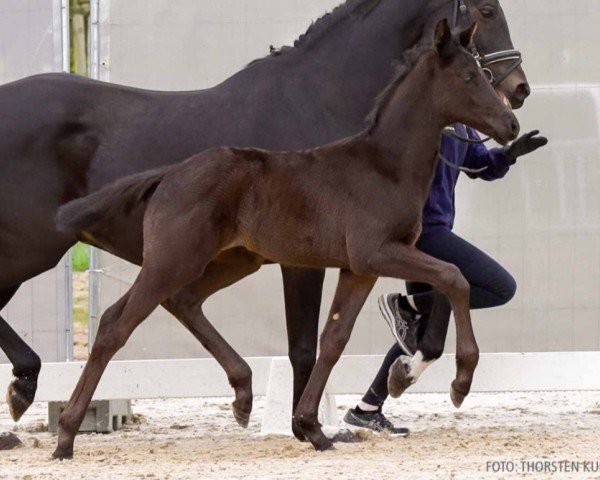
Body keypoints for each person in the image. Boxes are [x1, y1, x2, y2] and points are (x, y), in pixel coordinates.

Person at [343, 125, 548, 435]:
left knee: (423, 331)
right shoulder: (425, 111)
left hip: (435, 228)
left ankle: (366, 409)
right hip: (422, 230)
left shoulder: (463, 125)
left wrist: (507, 155)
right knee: (501, 287)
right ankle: (405, 304)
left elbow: (480, 164)